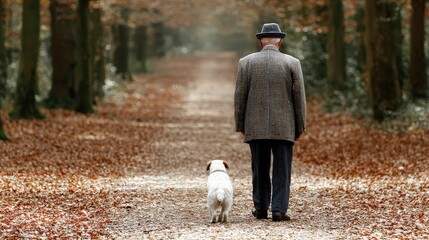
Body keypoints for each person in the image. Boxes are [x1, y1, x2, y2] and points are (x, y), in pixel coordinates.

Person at [234, 23, 306, 222]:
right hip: (284, 126)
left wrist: (241, 125)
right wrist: (300, 126)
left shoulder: (246, 62)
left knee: (259, 168)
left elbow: (239, 97)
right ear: (280, 41)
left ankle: (261, 208)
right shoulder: (292, 63)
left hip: (255, 126)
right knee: (282, 169)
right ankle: (279, 210)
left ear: (260, 41)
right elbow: (299, 98)